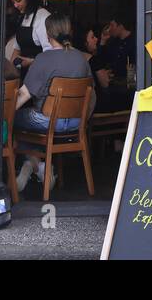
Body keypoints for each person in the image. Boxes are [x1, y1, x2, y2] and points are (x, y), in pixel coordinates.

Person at [13, 14, 95, 192]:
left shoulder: (43, 59)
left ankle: (33, 163)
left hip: (48, 120)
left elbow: (23, 95)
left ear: (48, 34)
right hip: (77, 122)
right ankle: (40, 167)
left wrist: (4, 113)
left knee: (13, 119)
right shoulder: (82, 58)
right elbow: (92, 96)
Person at [9, 0, 54, 68]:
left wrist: (31, 62)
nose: (15, 5)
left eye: (18, 1)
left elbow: (50, 52)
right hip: (24, 72)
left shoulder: (43, 17)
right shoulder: (22, 17)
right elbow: (16, 49)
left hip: (40, 70)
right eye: (13, 2)